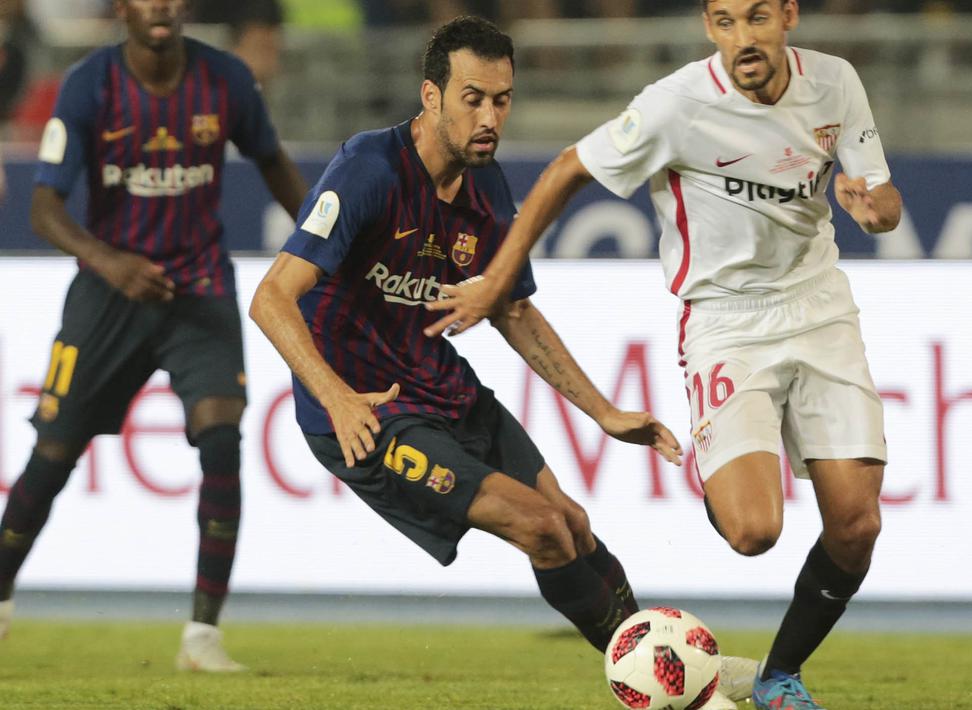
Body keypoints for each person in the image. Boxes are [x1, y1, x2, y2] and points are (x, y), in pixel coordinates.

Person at [248, 16, 756, 709]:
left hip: (443, 386)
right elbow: (273, 296)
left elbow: (513, 311)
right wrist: (336, 398)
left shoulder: (487, 192)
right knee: (542, 530)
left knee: (571, 522)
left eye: (501, 99)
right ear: (430, 97)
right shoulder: (369, 168)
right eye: (472, 98)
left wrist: (603, 412)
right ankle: (682, 695)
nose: (489, 117)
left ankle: (673, 674)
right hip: (371, 411)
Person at [425, 2, 902, 708]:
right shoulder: (674, 106)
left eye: (757, 17)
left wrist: (873, 210)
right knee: (751, 532)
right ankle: (722, 471)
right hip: (725, 321)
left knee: (857, 524)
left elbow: (883, 199)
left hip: (819, 309)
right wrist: (496, 280)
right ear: (710, 28)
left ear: (788, 17)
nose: (742, 37)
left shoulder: (835, 83)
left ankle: (780, 676)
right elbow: (565, 169)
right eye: (725, 21)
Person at [0, 0, 307, 671]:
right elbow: (43, 207)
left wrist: (323, 247)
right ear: (124, 8)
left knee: (222, 437)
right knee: (52, 453)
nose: (161, 6)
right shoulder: (90, 85)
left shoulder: (225, 80)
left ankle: (202, 636)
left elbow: (274, 163)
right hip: (110, 292)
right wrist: (108, 261)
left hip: (199, 287)